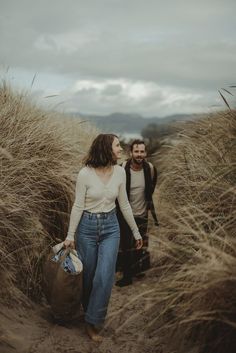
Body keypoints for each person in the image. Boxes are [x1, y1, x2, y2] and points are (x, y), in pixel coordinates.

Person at [64, 133, 143, 342]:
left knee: (105, 275)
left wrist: (136, 231)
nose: (120, 149)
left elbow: (124, 204)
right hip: (87, 229)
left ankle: (92, 321)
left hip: (111, 227)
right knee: (88, 277)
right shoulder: (85, 174)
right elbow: (78, 206)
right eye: (117, 146)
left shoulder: (119, 172)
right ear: (106, 148)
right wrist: (70, 235)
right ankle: (88, 311)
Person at [116, 139, 158, 287]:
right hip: (126, 215)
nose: (139, 155)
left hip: (142, 214)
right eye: (136, 151)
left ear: (145, 153)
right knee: (127, 245)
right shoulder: (122, 168)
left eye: (142, 151)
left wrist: (147, 207)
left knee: (139, 243)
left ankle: (136, 269)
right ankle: (127, 277)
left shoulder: (150, 169)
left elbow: (150, 189)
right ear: (131, 153)